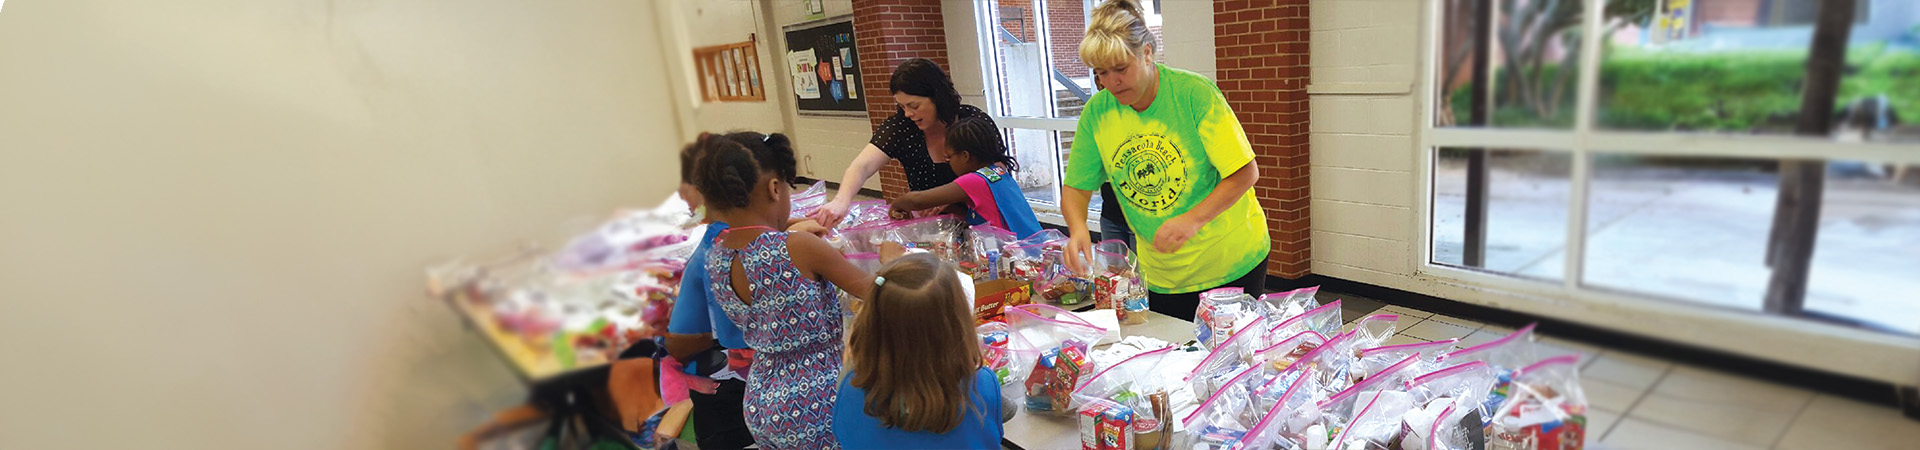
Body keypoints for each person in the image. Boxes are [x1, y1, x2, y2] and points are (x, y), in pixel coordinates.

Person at [1060, 0, 1270, 322]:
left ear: (1146, 52)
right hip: (1163, 273)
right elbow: (1076, 187)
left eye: (1120, 68)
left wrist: (1192, 220)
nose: (1111, 82)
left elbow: (1244, 173)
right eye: (1101, 72)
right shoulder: (1098, 113)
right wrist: (1077, 230)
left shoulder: (1194, 94)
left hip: (1230, 260)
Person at [684, 132, 876, 450]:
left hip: (761, 398)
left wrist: (787, 226)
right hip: (814, 402)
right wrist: (892, 263)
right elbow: (879, 292)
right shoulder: (799, 247)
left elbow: (757, 247)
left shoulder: (717, 253)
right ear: (775, 188)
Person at [833, 253, 1002, 449]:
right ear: (958, 324)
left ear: (871, 322)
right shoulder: (980, 384)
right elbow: (1002, 417)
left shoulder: (851, 386)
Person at [812, 58, 1001, 226]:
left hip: (984, 223)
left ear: (937, 97)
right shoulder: (902, 127)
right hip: (932, 227)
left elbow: (999, 169)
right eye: (902, 107)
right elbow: (862, 165)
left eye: (914, 106)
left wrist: (951, 196)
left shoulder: (972, 120)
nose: (908, 113)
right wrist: (841, 200)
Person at [888, 117, 1043, 239]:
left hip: (1019, 255)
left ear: (965, 156)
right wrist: (949, 207)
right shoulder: (998, 170)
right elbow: (986, 216)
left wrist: (896, 205)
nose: (948, 163)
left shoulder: (974, 180)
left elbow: (917, 200)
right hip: (1033, 245)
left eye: (949, 158)